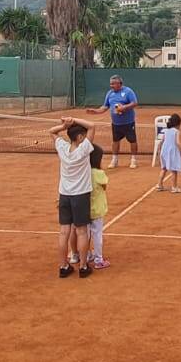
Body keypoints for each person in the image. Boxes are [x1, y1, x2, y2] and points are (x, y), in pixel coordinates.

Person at [49, 116, 96, 278]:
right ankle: (83, 267)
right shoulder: (84, 149)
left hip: (64, 195)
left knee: (64, 232)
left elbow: (52, 132)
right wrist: (73, 119)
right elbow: (92, 125)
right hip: (80, 196)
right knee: (82, 231)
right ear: (80, 137)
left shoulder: (62, 147)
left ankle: (63, 266)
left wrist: (64, 125)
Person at [88, 74, 139, 169]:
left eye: (113, 84)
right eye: (110, 84)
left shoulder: (128, 91)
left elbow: (134, 103)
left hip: (128, 122)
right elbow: (105, 106)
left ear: (119, 84)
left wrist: (124, 107)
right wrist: (96, 111)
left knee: (132, 141)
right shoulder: (109, 93)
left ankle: (133, 160)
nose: (111, 86)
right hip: (116, 123)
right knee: (115, 141)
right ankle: (114, 160)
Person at [88, 146, 111, 269]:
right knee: (97, 234)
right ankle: (98, 259)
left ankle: (86, 255)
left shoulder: (83, 172)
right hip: (97, 209)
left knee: (85, 234)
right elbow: (104, 186)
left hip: (84, 209)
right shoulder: (99, 173)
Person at [156, 113, 181, 193]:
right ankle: (174, 187)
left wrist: (159, 152)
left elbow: (160, 142)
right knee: (174, 170)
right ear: (177, 124)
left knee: (164, 168)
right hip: (171, 152)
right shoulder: (176, 131)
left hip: (164, 152)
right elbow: (178, 143)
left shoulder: (165, 130)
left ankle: (159, 185)